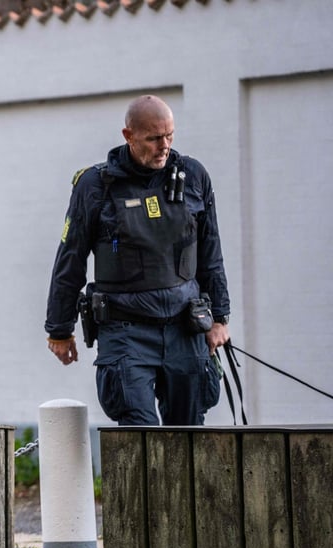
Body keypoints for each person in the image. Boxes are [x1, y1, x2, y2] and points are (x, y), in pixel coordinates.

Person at [44, 95, 231, 425]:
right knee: (139, 439)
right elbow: (70, 258)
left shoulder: (193, 176)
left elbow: (211, 252)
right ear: (128, 135)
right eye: (154, 138)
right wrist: (59, 329)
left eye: (170, 136)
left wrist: (219, 317)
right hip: (125, 332)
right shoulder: (95, 185)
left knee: (189, 439)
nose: (164, 146)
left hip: (184, 327)